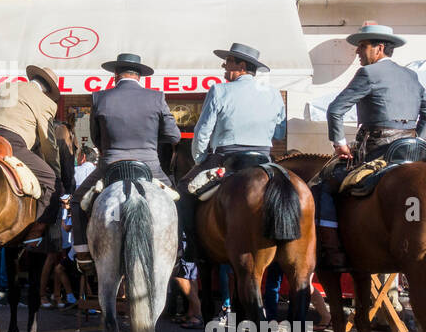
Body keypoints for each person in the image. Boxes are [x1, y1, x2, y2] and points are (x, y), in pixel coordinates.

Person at [320, 22, 426, 268]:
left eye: (362, 46)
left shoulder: (368, 74)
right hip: (412, 153)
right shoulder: (411, 75)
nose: (357, 52)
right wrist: (418, 139)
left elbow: (335, 110)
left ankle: (333, 250)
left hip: (378, 152)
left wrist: (340, 144)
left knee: (327, 183)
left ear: (379, 48)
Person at [69, 53, 180, 272]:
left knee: (76, 202)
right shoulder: (156, 97)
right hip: (150, 166)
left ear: (116, 75)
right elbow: (174, 136)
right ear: (140, 76)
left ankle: (82, 253)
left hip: (110, 164)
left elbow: (95, 138)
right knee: (177, 202)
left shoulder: (99, 97)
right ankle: (178, 253)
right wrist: (151, 140)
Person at [175, 43, 286, 262]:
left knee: (183, 192)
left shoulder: (220, 90)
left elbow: (202, 130)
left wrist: (200, 159)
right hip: (264, 160)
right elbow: (280, 132)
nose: (224, 67)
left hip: (227, 158)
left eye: (228, 62)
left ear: (241, 66)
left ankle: (193, 249)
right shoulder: (274, 94)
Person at [0, 64, 64, 236]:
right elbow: (48, 144)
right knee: (50, 180)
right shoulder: (46, 102)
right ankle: (35, 231)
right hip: (12, 144)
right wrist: (56, 171)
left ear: (32, 79)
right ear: (47, 91)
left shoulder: (8, 86)